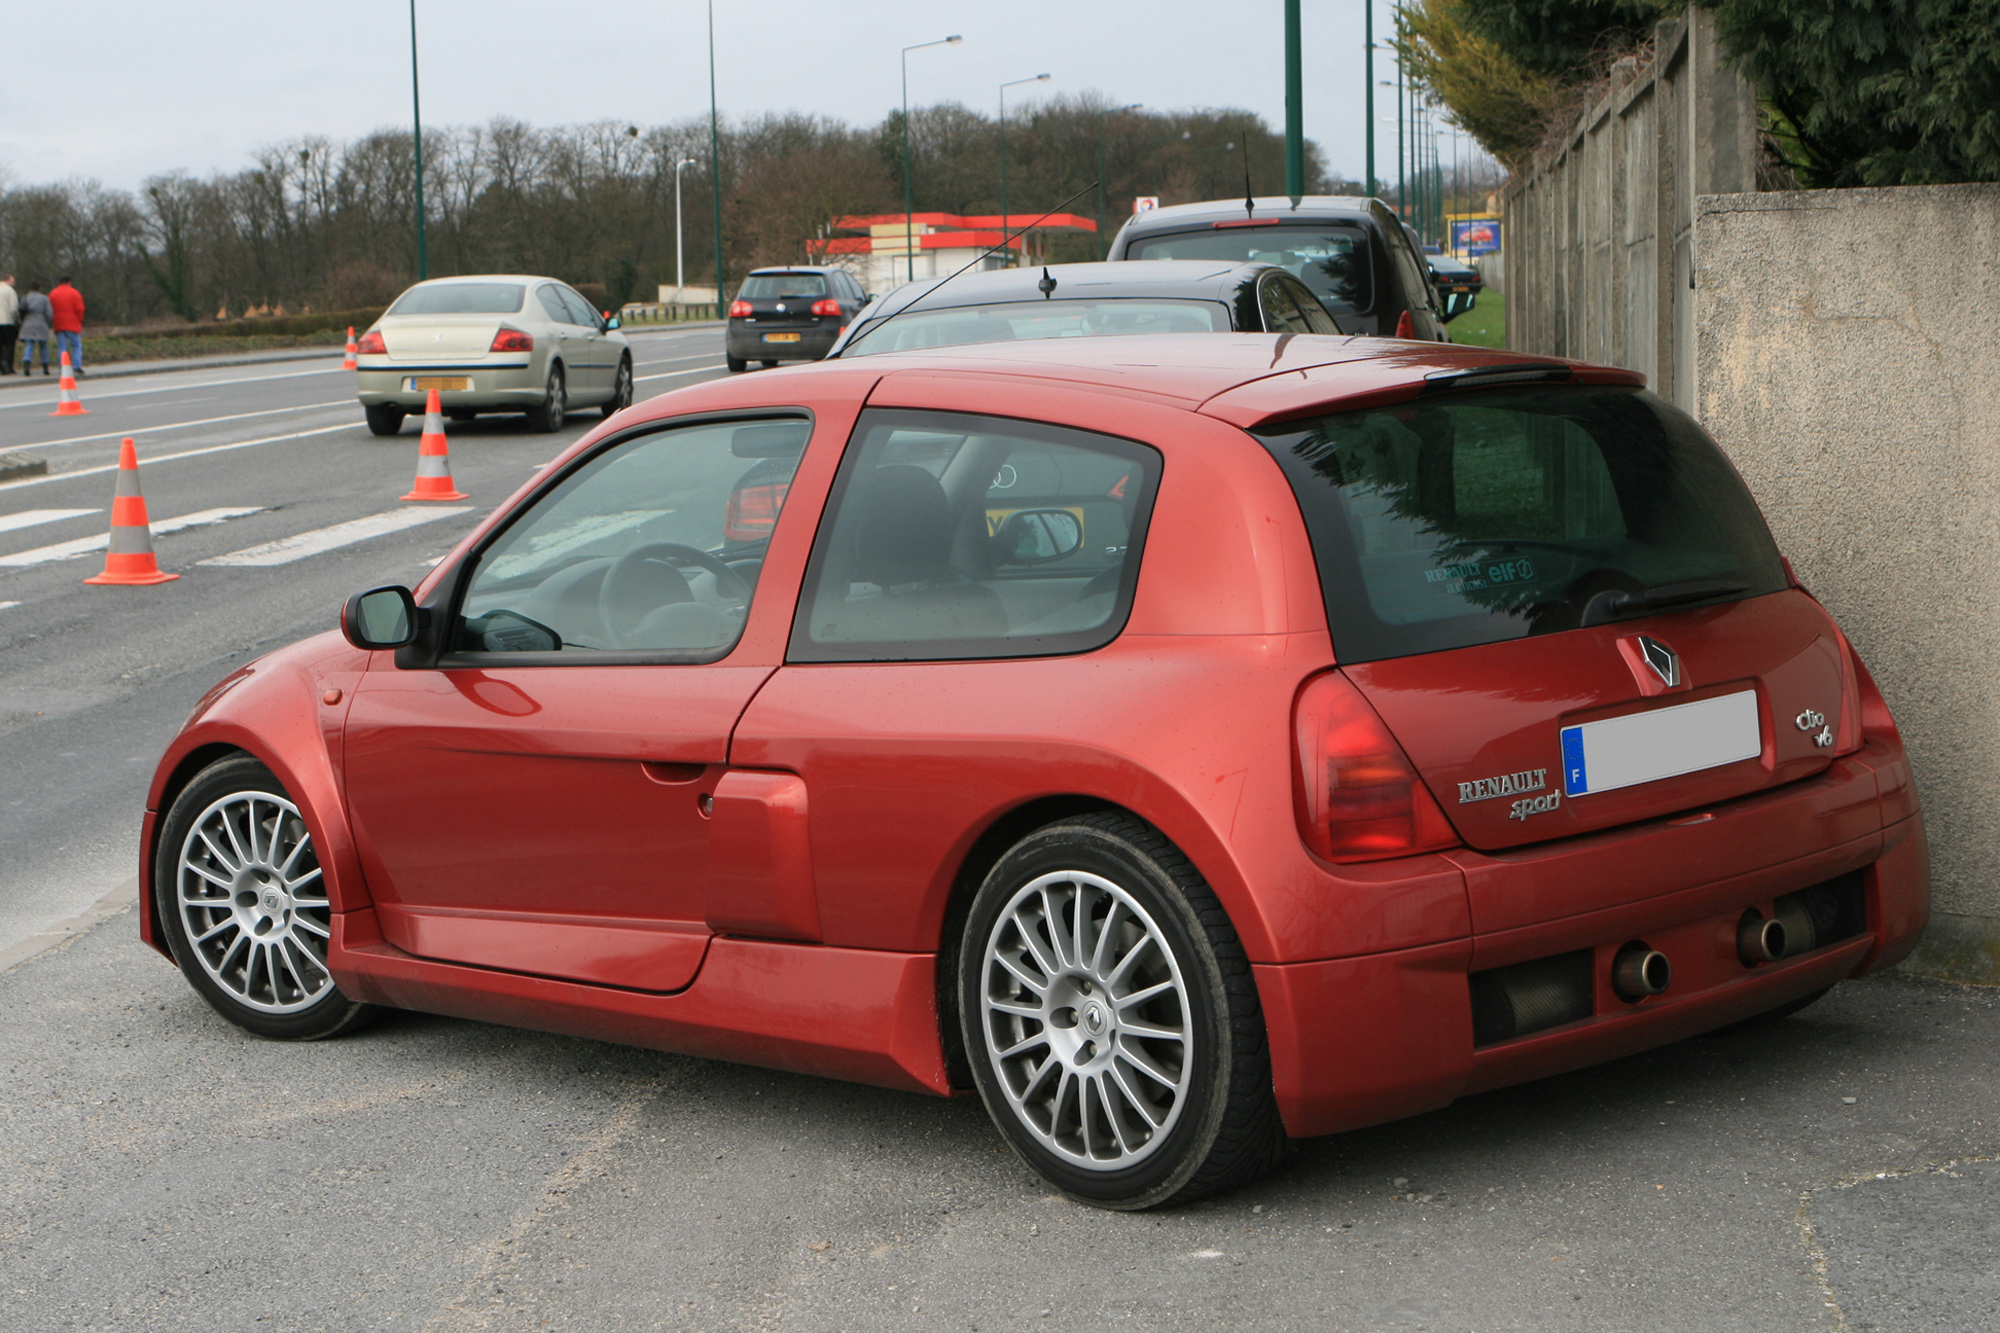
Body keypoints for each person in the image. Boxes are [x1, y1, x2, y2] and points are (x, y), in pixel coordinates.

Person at [49, 273, 84, 373]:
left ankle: (62, 367)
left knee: (62, 347)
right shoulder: (74, 293)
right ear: (69, 282)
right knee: (76, 345)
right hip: (72, 323)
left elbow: (50, 308)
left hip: (59, 323)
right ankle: (77, 366)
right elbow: (80, 309)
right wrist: (79, 320)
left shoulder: (53, 293)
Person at [17, 280, 52, 376]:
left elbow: (20, 311)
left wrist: (21, 321)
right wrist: (46, 322)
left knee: (29, 345)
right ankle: (45, 368)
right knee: (43, 346)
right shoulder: (45, 298)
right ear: (39, 288)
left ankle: (26, 366)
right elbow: (49, 313)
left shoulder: (25, 297)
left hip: (28, 323)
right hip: (41, 323)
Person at [0, 274, 18, 376]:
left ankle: (1, 366)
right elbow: (13, 308)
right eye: (12, 280)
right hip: (7, 321)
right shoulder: (10, 291)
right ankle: (8, 365)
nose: (13, 283)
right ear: (7, 280)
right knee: (9, 345)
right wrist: (15, 319)